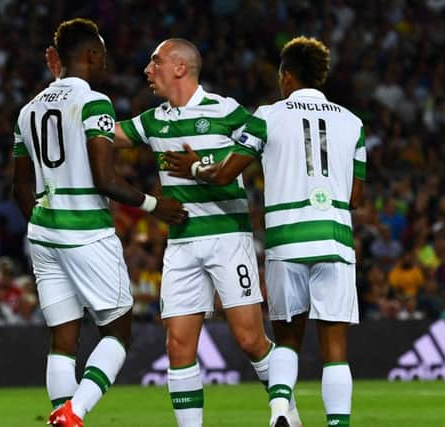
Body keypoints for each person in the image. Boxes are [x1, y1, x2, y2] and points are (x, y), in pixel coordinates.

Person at [46, 38, 296, 426]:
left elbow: (269, 144)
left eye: (155, 62)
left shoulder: (225, 111)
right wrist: (64, 88)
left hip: (228, 238)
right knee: (178, 347)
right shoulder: (153, 120)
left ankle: (285, 409)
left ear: (180, 67)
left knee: (250, 339)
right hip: (181, 243)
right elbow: (102, 132)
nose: (147, 70)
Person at [166, 36, 366, 427]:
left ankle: (278, 411)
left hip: (287, 240)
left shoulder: (267, 116)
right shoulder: (353, 123)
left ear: (286, 76)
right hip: (335, 237)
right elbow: (356, 196)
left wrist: (192, 167)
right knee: (335, 348)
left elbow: (224, 174)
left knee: (288, 339)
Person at [12, 19, 186, 427]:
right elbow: (104, 180)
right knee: (119, 331)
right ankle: (74, 413)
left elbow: (19, 187)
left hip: (43, 233)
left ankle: (60, 415)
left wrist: (44, 228)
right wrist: (153, 204)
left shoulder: (28, 109)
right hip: (86, 233)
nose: (106, 62)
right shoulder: (94, 102)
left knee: (63, 339)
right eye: (103, 54)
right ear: (89, 55)